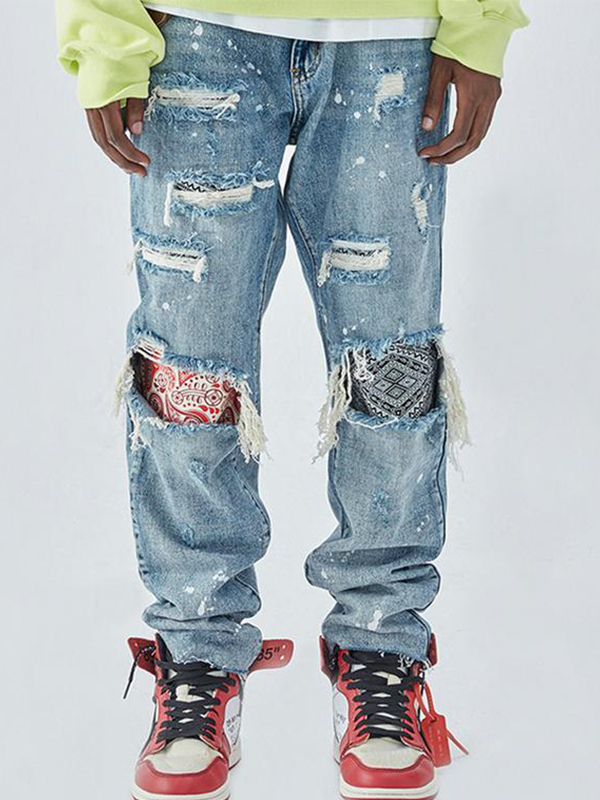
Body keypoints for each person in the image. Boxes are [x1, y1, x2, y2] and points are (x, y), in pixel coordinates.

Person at [56, 2, 528, 799]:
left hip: (388, 34)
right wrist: (103, 28)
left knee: (390, 366)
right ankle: (197, 658)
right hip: (197, 28)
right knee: (189, 375)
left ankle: (381, 653)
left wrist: (478, 22)